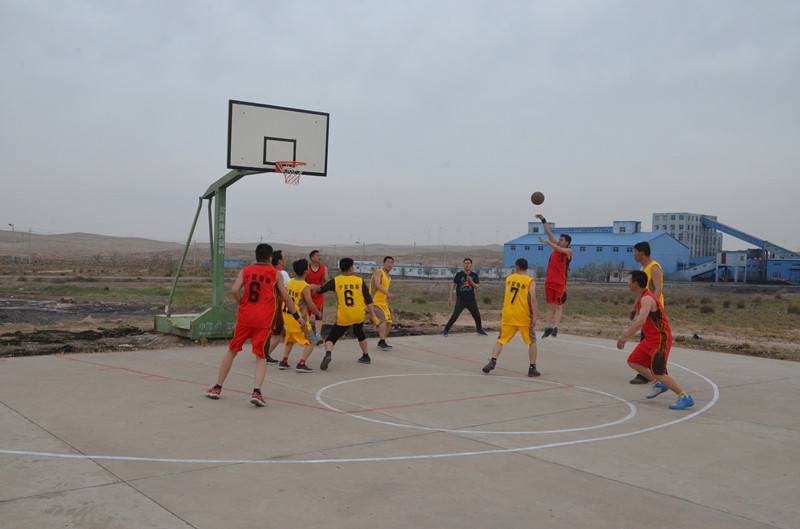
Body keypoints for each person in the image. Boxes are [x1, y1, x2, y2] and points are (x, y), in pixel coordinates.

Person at [205, 244, 304, 407]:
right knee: (261, 356)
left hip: (245, 317)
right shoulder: (276, 274)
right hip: (263, 320)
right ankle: (256, 392)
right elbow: (286, 298)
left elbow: (235, 290)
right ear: (270, 258)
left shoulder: (246, 271)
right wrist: (297, 317)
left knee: (232, 350)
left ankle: (217, 388)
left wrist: (242, 303)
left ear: (256, 256)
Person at [617, 270, 694, 410]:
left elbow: (641, 321)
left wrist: (625, 336)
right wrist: (633, 309)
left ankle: (684, 397)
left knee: (659, 372)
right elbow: (638, 306)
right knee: (633, 361)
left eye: (629, 280)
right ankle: (658, 384)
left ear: (635, 284)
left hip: (660, 340)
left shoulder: (647, 299)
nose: (628, 283)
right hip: (649, 339)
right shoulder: (641, 297)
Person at [482, 258, 541, 377]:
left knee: (501, 340)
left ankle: (492, 360)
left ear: (516, 267)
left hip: (508, 314)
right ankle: (532, 368)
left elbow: (507, 295)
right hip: (523, 315)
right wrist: (535, 316)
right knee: (532, 342)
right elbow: (533, 298)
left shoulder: (509, 279)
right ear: (527, 268)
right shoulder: (530, 281)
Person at [316, 257, 377, 370]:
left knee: (331, 338)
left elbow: (320, 290)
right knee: (359, 332)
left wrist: (312, 288)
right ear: (350, 268)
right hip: (358, 314)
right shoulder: (359, 280)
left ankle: (328, 354)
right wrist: (373, 315)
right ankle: (366, 356)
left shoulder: (336, 280)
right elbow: (368, 299)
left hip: (344, 315)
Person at [628, 241, 665, 384]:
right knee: (647, 341)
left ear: (641, 253)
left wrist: (651, 307)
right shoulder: (643, 268)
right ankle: (653, 374)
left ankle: (654, 375)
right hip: (646, 309)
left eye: (635, 252)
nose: (634, 255)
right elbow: (642, 293)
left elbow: (657, 289)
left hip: (654, 312)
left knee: (650, 341)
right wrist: (634, 307)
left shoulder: (654, 267)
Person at [278, 258, 323, 372]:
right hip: (299, 319)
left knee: (290, 339)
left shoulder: (291, 282)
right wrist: (318, 312)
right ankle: (301, 363)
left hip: (288, 317)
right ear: (306, 271)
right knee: (311, 341)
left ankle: (284, 361)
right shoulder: (304, 286)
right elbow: (310, 303)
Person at [535, 214, 572, 338]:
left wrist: (548, 243)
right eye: (559, 239)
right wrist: (543, 220)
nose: (559, 241)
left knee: (558, 306)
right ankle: (548, 327)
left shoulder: (568, 251)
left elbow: (559, 249)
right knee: (549, 306)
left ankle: (556, 327)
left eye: (562, 240)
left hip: (559, 283)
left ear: (567, 242)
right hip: (549, 282)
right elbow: (549, 232)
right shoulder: (555, 246)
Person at [442, 258, 488, 336]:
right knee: (455, 315)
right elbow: (453, 285)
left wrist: (471, 281)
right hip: (461, 299)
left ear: (471, 265)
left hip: (471, 299)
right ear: (463, 265)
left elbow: (477, 287)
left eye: (468, 263)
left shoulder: (474, 275)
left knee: (476, 315)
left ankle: (479, 329)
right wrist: (450, 297)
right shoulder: (459, 275)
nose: (467, 265)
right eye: (465, 263)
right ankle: (446, 330)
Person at [266, 250, 290, 364]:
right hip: (277, 306)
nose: (285, 261)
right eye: (284, 258)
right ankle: (265, 355)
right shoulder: (282, 273)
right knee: (277, 334)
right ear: (280, 261)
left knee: (267, 332)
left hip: (267, 305)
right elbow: (291, 287)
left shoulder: (268, 271)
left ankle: (261, 352)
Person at [371, 256, 397, 351]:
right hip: (375, 302)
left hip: (383, 302)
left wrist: (388, 304)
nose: (390, 264)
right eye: (388, 262)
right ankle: (382, 341)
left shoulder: (388, 277)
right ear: (383, 263)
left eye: (392, 262)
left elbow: (384, 292)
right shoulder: (379, 271)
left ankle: (382, 341)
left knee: (389, 322)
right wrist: (388, 294)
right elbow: (377, 285)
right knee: (383, 321)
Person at [306, 250, 330, 346]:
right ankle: (306, 335)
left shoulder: (324, 268)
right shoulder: (306, 268)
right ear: (312, 258)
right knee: (305, 316)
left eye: (320, 255)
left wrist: (319, 290)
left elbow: (326, 282)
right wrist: (310, 288)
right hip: (307, 295)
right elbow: (302, 282)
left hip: (318, 296)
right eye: (317, 256)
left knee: (319, 315)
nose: (320, 257)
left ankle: (317, 336)